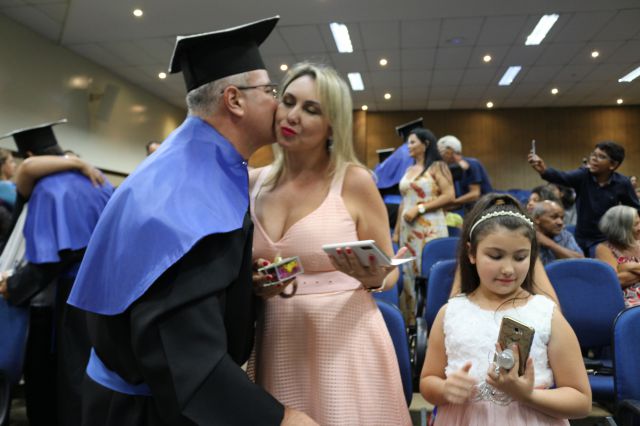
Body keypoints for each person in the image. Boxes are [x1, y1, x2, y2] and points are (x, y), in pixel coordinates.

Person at [67, 17, 315, 426]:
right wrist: (280, 419)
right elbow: (185, 359)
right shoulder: (187, 201)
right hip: (146, 411)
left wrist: (238, 284)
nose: (278, 104)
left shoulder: (192, 166)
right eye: (270, 92)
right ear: (234, 100)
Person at [248, 62, 411, 426]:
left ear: (332, 124)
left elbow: (389, 275)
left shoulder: (354, 181)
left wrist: (372, 277)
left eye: (311, 109)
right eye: (288, 101)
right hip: (277, 337)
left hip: (345, 342)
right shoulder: (252, 182)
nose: (292, 115)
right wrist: (253, 281)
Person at [420, 193, 591, 424]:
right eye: (495, 256)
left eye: (520, 258)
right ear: (471, 253)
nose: (508, 269)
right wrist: (445, 389)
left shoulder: (545, 314)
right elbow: (428, 381)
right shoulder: (450, 313)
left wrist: (527, 395)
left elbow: (581, 401)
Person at [0, 119, 113, 426]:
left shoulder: (48, 189)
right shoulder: (98, 178)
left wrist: (14, 287)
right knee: (95, 374)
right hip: (105, 291)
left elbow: (50, 260)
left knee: (65, 379)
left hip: (69, 298)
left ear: (30, 155)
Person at [528, 141, 640, 255]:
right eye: (593, 154)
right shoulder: (583, 175)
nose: (594, 159)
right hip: (581, 237)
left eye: (601, 157)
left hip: (606, 239)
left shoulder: (623, 183)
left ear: (613, 165)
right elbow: (562, 177)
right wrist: (544, 170)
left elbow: (635, 208)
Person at [392, 127, 454, 324]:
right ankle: (411, 324)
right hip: (408, 231)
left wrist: (420, 209)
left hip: (430, 228)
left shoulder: (438, 166)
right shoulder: (408, 170)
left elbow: (449, 196)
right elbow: (404, 202)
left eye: (412, 142)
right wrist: (396, 232)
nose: (408, 146)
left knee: (427, 274)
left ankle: (433, 322)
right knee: (408, 273)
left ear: (425, 144)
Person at [595, 205, 640, 307]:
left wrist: (628, 266)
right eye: (636, 224)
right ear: (621, 229)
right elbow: (616, 281)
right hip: (629, 299)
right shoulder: (604, 249)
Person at [437, 134, 493, 213]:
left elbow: (475, 194)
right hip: (464, 207)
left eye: (443, 152)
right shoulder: (449, 168)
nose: (440, 155)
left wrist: (452, 202)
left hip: (483, 207)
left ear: (451, 151)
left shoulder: (472, 164)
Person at [531, 200, 583, 265]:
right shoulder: (526, 236)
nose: (560, 222)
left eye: (562, 218)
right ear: (537, 219)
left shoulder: (565, 235)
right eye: (554, 217)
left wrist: (550, 244)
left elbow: (582, 261)